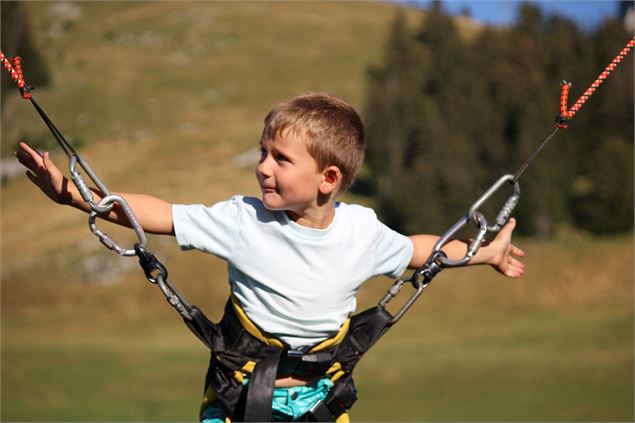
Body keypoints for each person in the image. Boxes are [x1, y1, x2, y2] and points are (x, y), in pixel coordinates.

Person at [15, 92, 525, 422]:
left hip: (320, 402)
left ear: (328, 179)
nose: (263, 168)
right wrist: (73, 194)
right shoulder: (245, 221)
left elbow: (423, 251)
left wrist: (486, 253)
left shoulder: (362, 232)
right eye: (262, 153)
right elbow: (162, 215)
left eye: (280, 159)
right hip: (238, 399)